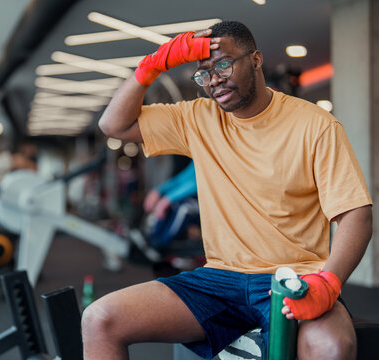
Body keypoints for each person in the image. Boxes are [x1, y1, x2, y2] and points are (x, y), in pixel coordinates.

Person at [81, 21, 373, 360]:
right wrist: (153, 65)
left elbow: (356, 216)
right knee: (99, 319)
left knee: (331, 347)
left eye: (223, 64)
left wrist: (329, 282)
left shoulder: (316, 126)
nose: (214, 80)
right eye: (203, 73)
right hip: (219, 280)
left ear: (256, 60)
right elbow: (113, 125)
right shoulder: (197, 118)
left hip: (294, 277)